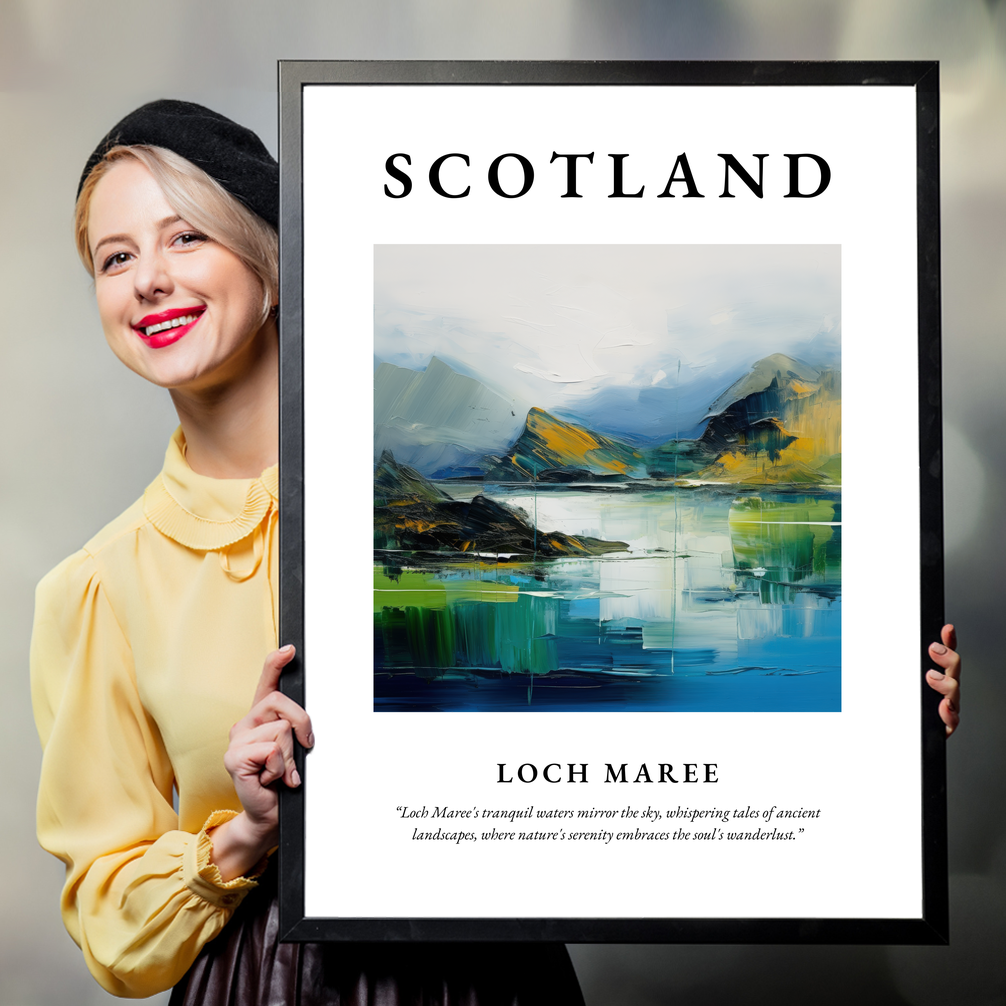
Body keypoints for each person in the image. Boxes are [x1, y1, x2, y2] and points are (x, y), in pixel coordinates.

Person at [30, 100, 585, 1004]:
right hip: (264, 981)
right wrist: (245, 832)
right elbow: (110, 924)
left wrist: (889, 712)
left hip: (493, 974)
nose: (148, 281)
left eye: (185, 239)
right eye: (116, 257)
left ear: (273, 264)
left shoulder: (433, 513)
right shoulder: (98, 587)